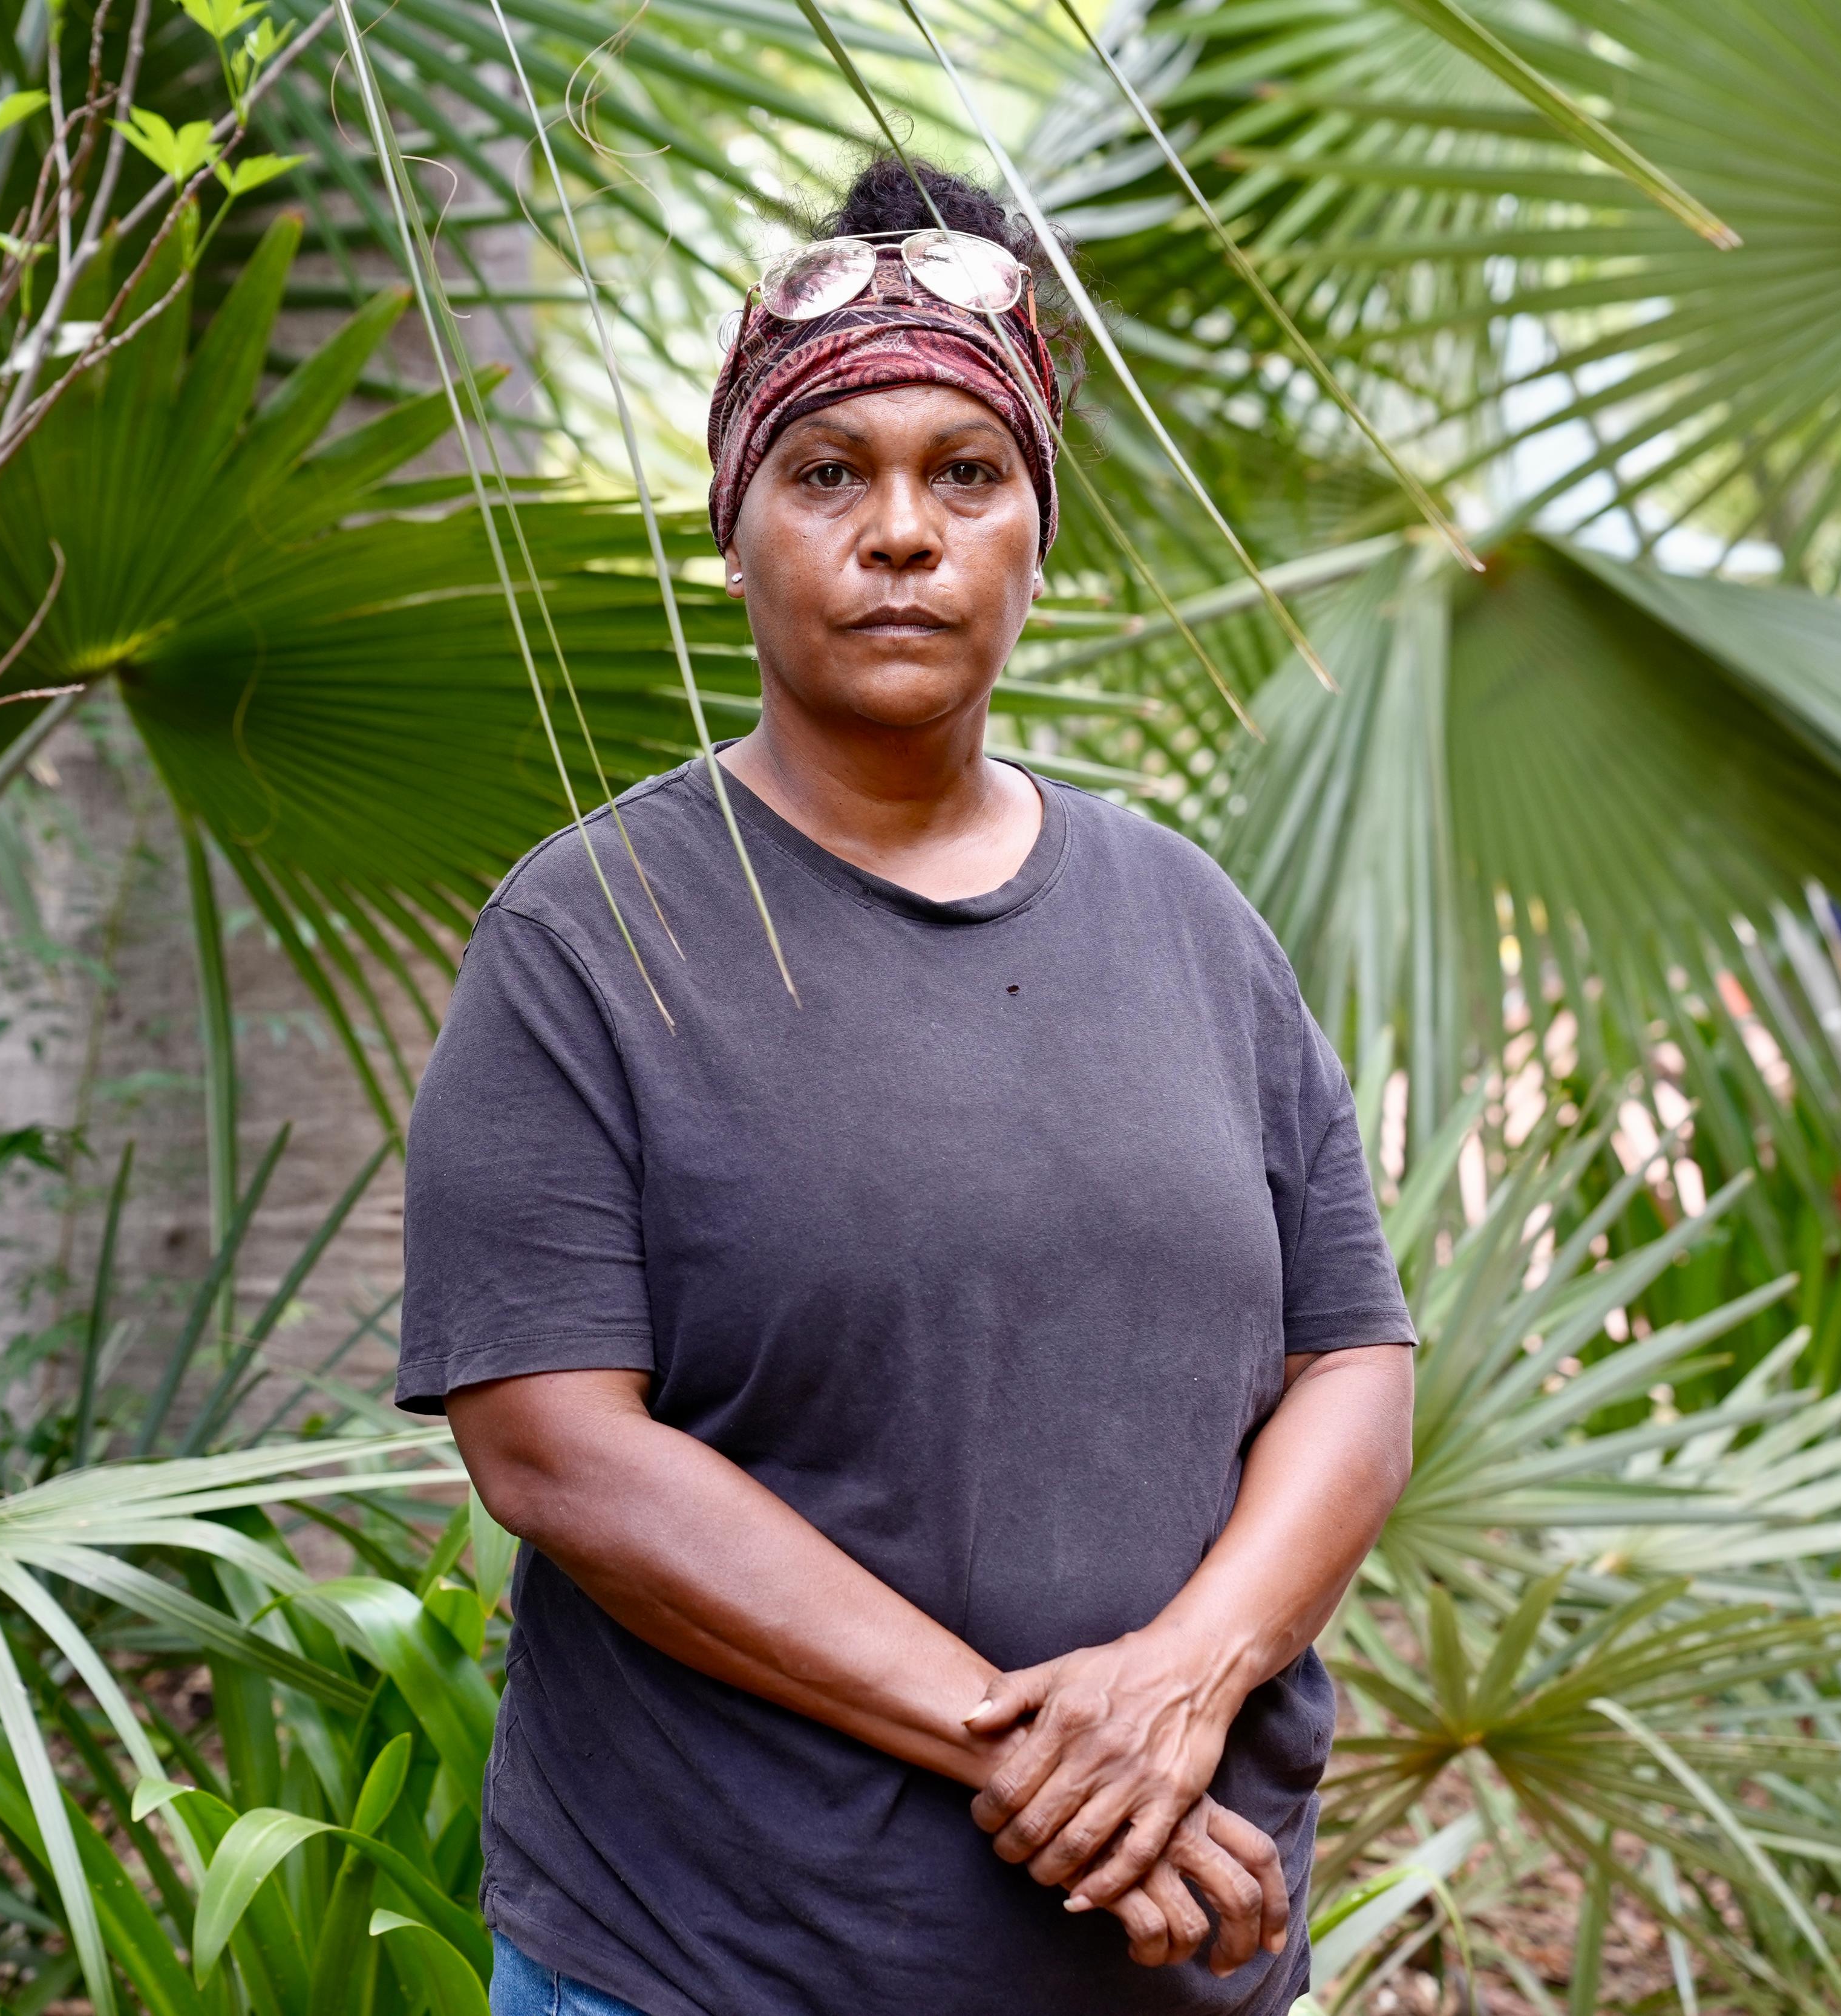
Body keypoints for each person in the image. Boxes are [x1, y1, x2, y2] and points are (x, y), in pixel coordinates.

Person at [397, 155, 1419, 2016]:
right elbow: (552, 1446)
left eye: (968, 473)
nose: (901, 532)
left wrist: (1187, 1679)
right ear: (737, 524)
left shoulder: (1185, 920)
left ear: (1037, 529)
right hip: (719, 1965)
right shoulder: (590, 935)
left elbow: (1351, 1359)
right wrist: (1046, 1750)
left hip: (1177, 1966)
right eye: (829, 473)